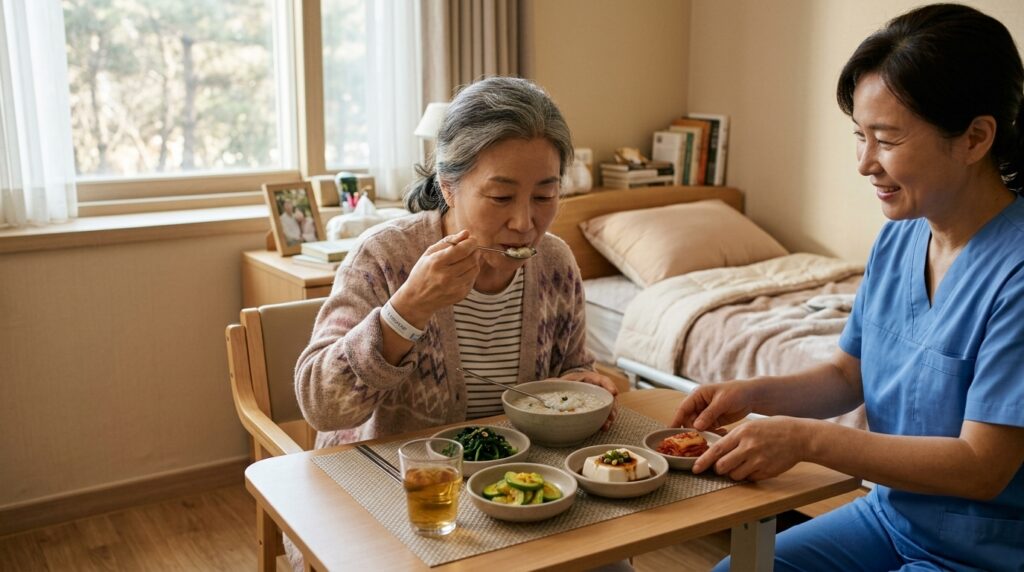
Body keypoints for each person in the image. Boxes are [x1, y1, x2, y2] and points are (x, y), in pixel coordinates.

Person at [673, 5, 1024, 571]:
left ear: (976, 138)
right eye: (860, 136)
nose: (865, 164)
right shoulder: (901, 238)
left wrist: (807, 441)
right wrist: (751, 394)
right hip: (890, 517)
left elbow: (982, 467)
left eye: (886, 140)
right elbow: (847, 375)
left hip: (983, 551)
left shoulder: (1017, 274)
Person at [295, 76, 617, 451]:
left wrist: (582, 384)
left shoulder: (555, 263)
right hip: (400, 479)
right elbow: (322, 408)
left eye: (545, 195)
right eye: (501, 197)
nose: (525, 222)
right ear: (448, 186)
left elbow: (571, 369)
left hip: (520, 477)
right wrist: (408, 309)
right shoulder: (383, 257)